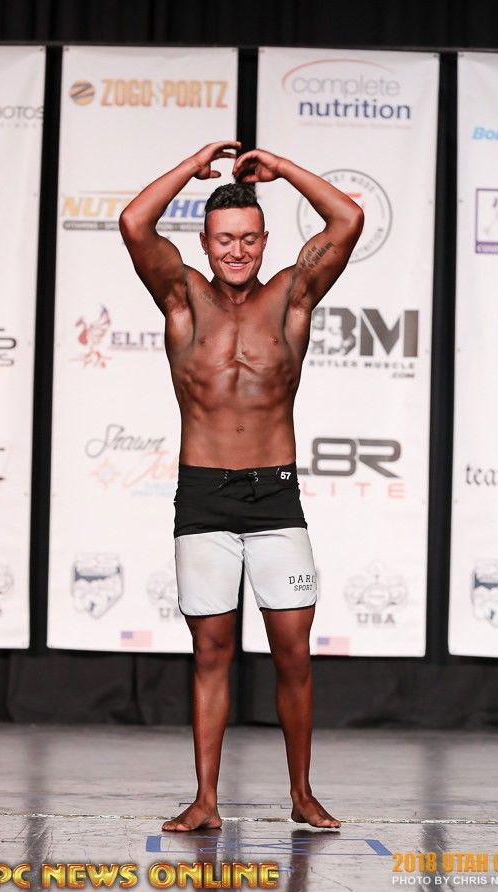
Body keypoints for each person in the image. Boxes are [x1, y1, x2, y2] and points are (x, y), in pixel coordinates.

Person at [119, 141, 364, 831]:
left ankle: (302, 794)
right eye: (225, 239)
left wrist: (281, 169)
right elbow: (135, 222)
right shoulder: (182, 298)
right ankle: (206, 800)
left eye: (249, 238)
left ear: (264, 240)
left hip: (275, 498)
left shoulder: (291, 296)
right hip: (203, 498)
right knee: (212, 654)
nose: (237, 250)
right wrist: (188, 165)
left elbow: (348, 219)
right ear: (205, 242)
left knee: (294, 654)